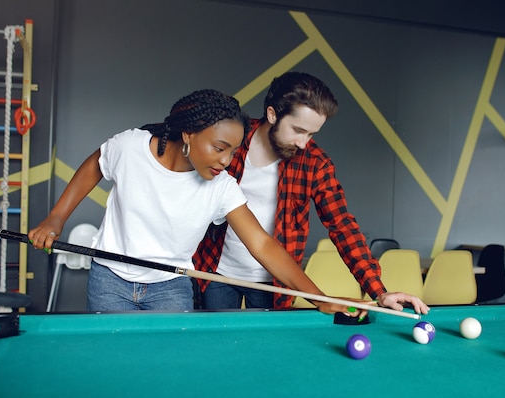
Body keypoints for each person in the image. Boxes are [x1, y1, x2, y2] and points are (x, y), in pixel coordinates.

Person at [29, 89, 370, 315]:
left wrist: (320, 298)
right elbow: (95, 164)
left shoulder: (221, 187)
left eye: (234, 151)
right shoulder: (132, 147)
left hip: (171, 288)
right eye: (219, 148)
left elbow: (265, 245)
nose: (226, 160)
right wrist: (57, 217)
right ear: (188, 135)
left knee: (169, 369)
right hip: (109, 281)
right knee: (116, 365)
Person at [194, 73, 430, 315]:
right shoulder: (232, 141)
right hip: (215, 270)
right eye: (297, 130)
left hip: (278, 282)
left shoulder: (316, 163)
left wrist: (379, 291)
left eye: (311, 134)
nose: (303, 143)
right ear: (272, 114)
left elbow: (342, 225)